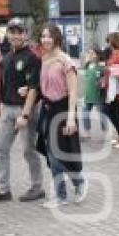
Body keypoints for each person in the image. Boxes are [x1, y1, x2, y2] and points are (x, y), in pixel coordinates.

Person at [0, 18, 45, 203]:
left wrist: (25, 114)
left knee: (28, 150)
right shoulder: (7, 57)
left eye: (19, 32)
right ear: (7, 34)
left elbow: (34, 88)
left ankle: (37, 187)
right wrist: (1, 105)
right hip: (7, 109)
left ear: (25, 34)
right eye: (12, 32)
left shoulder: (32, 58)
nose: (15, 35)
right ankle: (3, 189)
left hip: (26, 110)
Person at [36, 25, 86, 208]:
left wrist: (71, 118)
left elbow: (73, 92)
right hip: (47, 109)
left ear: (57, 38)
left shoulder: (66, 61)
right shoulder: (43, 59)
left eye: (49, 36)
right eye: (42, 36)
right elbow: (44, 87)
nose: (45, 40)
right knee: (51, 154)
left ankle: (75, 185)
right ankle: (64, 192)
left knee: (61, 154)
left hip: (63, 110)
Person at [80, 48, 108, 140]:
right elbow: (86, 76)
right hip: (89, 94)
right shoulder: (88, 65)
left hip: (99, 94)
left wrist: (103, 81)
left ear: (98, 55)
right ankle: (87, 132)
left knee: (102, 114)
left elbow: (106, 76)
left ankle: (104, 133)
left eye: (93, 53)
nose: (91, 55)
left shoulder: (102, 65)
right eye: (89, 53)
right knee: (85, 112)